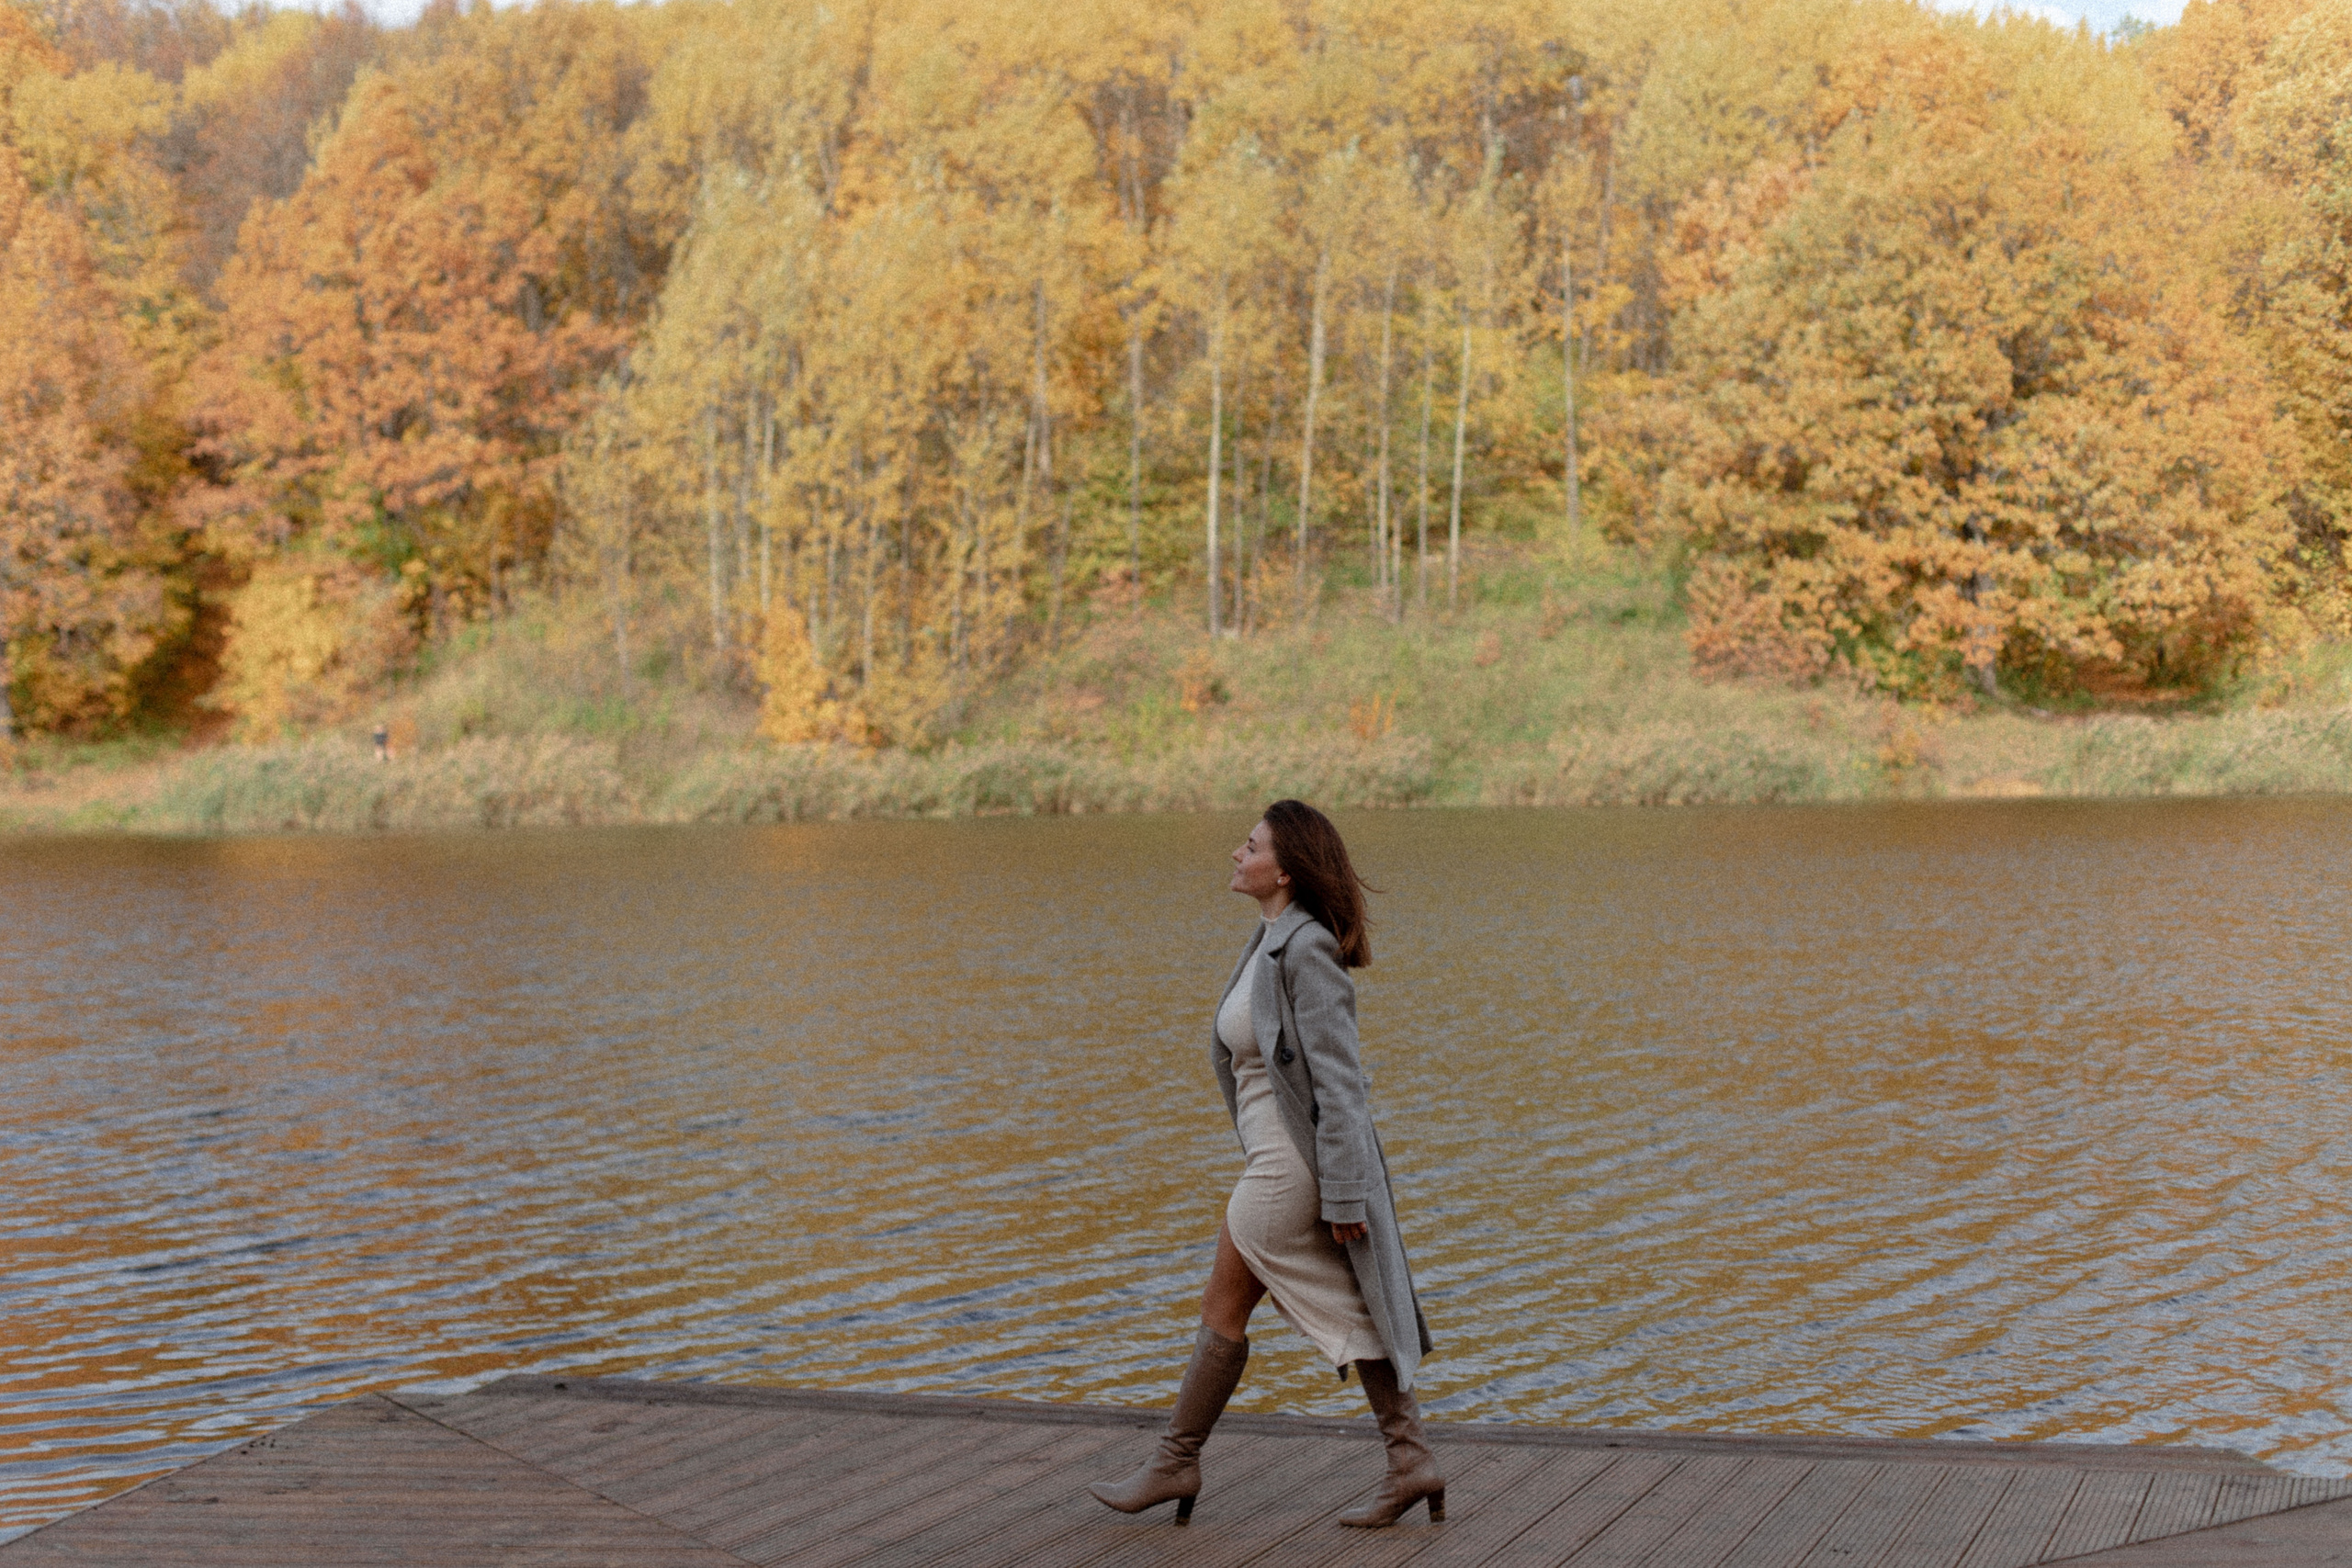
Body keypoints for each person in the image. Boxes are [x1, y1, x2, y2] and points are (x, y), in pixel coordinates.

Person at [1088, 799, 1441, 1529]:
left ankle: (1177, 1459)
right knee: (1328, 1304)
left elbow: (1341, 1083)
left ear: (1283, 868)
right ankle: (1410, 1460)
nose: (1235, 854)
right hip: (1275, 1158)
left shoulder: (1305, 949)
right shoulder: (1268, 939)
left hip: (1291, 1169)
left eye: (1248, 846)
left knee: (1229, 1305)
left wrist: (1344, 1194)